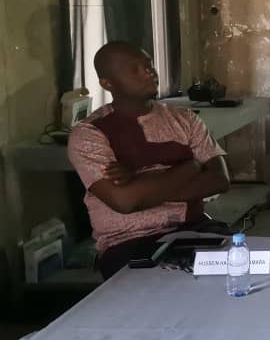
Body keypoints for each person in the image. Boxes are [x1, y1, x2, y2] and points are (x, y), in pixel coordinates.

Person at [67, 42, 231, 278]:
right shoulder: (89, 134)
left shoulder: (185, 119)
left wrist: (140, 184)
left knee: (240, 273)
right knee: (157, 293)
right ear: (107, 83)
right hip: (128, 241)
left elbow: (219, 180)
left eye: (148, 64)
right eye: (134, 69)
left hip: (193, 228)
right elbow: (125, 202)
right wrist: (191, 166)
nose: (148, 72)